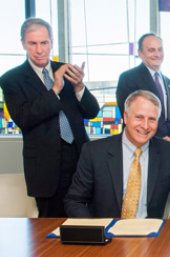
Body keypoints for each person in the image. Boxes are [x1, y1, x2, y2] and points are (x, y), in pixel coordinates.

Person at [0, 18, 100, 217]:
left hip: (80, 158)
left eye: (44, 43)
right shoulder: (11, 79)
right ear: (23, 44)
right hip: (46, 168)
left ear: (51, 42)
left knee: (87, 223)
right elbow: (24, 118)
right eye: (33, 43)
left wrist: (80, 87)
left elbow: (92, 112)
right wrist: (55, 89)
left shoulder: (67, 70)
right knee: (52, 232)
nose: (39, 50)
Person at [65, 90, 170, 218]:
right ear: (125, 116)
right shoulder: (94, 152)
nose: (145, 126)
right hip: (106, 238)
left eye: (152, 119)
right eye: (139, 117)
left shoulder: (167, 152)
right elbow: (74, 201)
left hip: (150, 237)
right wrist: (95, 231)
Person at [116, 33, 170, 146]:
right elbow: (131, 115)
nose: (157, 54)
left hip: (169, 148)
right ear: (140, 53)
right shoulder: (128, 78)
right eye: (151, 50)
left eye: (160, 49)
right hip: (140, 147)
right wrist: (160, 140)